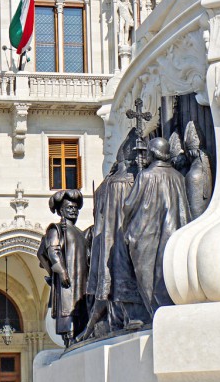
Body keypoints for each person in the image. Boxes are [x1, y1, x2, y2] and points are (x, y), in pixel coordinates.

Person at [80, 131, 146, 339]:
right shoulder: (128, 181)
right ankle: (128, 317)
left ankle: (109, 321)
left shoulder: (105, 186)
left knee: (110, 282)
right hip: (123, 237)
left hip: (107, 241)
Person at [123, 136, 191, 323]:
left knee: (146, 275)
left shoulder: (145, 176)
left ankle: (155, 314)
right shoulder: (178, 177)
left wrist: (126, 231)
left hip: (146, 234)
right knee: (166, 275)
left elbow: (129, 206)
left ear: (152, 153)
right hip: (174, 232)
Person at [37, 188, 90, 345]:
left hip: (82, 280)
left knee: (81, 312)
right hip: (68, 280)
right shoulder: (57, 229)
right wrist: (61, 272)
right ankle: (69, 337)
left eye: (75, 208)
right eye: (69, 208)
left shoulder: (81, 233)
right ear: (61, 210)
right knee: (69, 312)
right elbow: (52, 251)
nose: (73, 210)